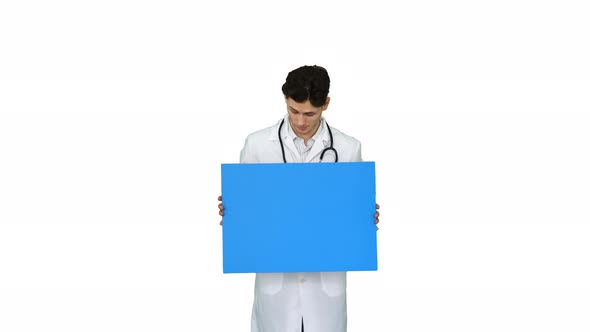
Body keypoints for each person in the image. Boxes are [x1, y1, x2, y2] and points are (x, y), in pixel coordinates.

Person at [218, 65, 380, 332]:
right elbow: (249, 217)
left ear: (326, 104)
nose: (301, 121)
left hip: (324, 286)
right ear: (285, 100)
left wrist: (364, 218)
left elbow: (349, 217)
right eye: (294, 111)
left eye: (310, 114)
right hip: (276, 285)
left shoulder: (348, 148)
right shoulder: (257, 145)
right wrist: (234, 213)